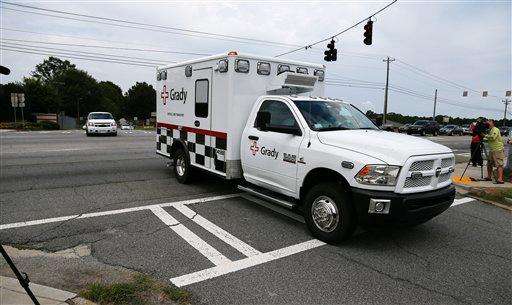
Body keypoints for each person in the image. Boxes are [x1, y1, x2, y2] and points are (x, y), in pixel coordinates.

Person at [483, 119, 505, 184]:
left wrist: (484, 135)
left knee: (499, 164)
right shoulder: (490, 130)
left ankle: (500, 179)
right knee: (489, 164)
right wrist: (482, 138)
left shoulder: (495, 129)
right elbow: (489, 139)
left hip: (497, 149)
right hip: (492, 150)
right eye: (487, 121)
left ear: (493, 123)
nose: (487, 122)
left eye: (489, 121)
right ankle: (489, 177)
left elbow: (493, 137)